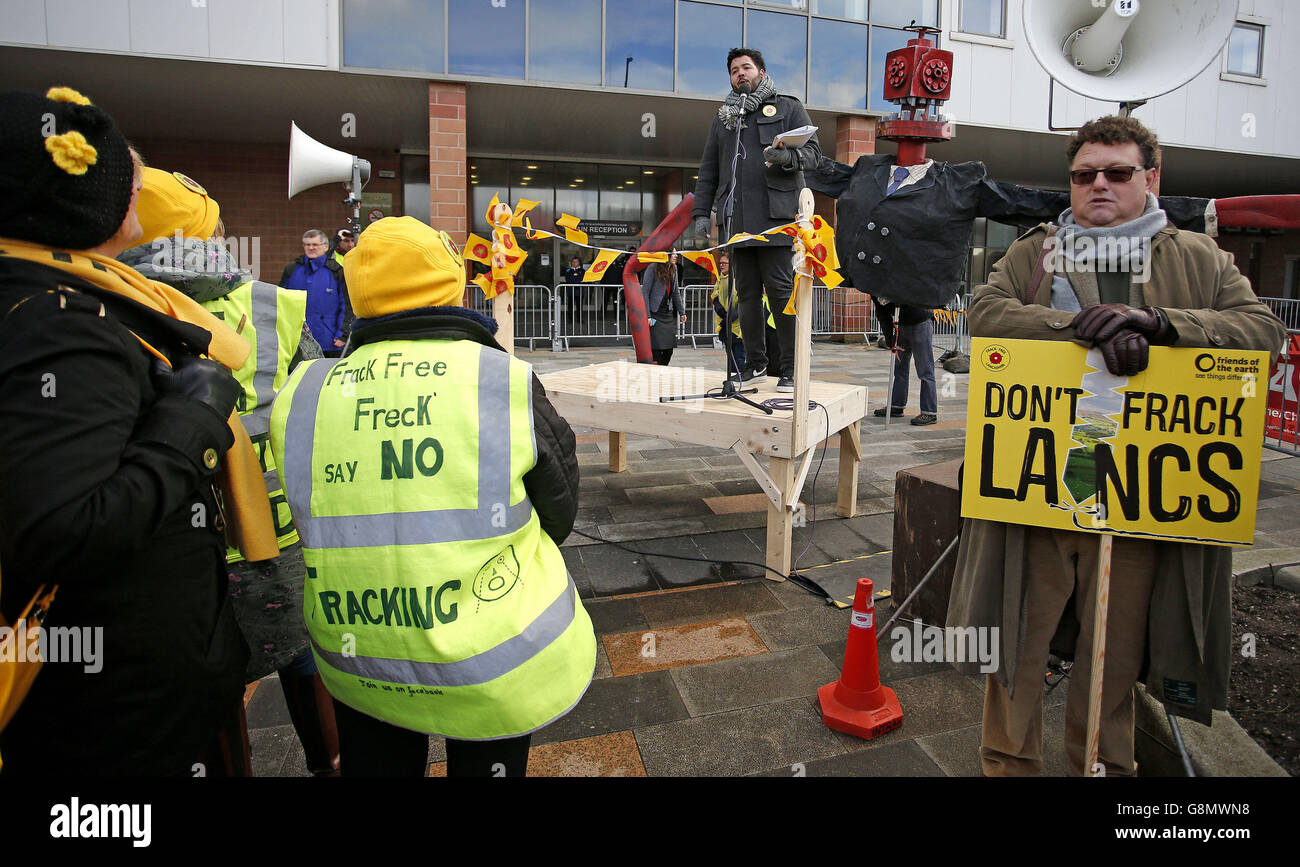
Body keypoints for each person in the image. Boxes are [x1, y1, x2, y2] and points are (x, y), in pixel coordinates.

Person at [947, 115, 1286, 777]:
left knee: (1116, 654)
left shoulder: (1198, 258)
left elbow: (1261, 330)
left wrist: (1162, 325)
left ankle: (1103, 768)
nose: (1098, 184)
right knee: (1017, 645)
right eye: (1083, 174)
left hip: (1138, 501)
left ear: (1151, 178)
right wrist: (1082, 327)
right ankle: (1006, 765)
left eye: (1117, 172)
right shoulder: (1035, 252)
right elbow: (987, 312)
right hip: (1041, 491)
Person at [0, 87, 277, 775]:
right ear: (83, 204)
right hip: (109, 708)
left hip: (117, 686)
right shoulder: (55, 321)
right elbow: (64, 527)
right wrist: (189, 422)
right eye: (127, 177)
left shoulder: (77, 295)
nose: (142, 190)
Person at [268, 216, 595, 777]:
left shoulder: (305, 392)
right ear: (451, 283)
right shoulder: (501, 379)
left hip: (360, 660)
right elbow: (560, 515)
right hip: (492, 661)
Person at [119, 167, 339, 776]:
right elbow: (312, 417)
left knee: (208, 683)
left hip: (172, 541)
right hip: (280, 531)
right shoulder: (276, 303)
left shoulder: (103, 309)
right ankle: (330, 764)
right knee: (304, 657)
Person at [693, 47, 820, 393]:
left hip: (776, 218)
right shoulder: (724, 120)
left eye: (746, 67)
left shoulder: (788, 107)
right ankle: (754, 363)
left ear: (761, 72)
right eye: (734, 70)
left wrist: (786, 155)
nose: (740, 74)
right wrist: (702, 213)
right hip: (737, 218)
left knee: (780, 293)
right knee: (745, 293)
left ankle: (791, 368)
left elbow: (814, 154)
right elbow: (709, 171)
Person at [281, 229, 347, 357]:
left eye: (315, 245)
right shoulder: (291, 270)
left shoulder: (337, 272)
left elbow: (346, 305)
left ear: (326, 247)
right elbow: (281, 302)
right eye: (307, 244)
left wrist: (343, 334)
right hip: (295, 340)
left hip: (329, 341)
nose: (311, 248)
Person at [874, 303, 937, 425]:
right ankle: (897, 405)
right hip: (901, 324)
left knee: (925, 369)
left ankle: (929, 412)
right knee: (899, 368)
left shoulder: (899, 284)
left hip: (920, 321)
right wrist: (890, 339)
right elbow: (882, 314)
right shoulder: (875, 288)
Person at [642, 251, 686, 366]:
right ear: (665, 254)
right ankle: (658, 372)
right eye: (673, 253)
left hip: (668, 314)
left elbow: (676, 292)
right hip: (654, 313)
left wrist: (682, 312)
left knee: (669, 349)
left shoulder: (673, 268)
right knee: (656, 349)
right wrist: (648, 315)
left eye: (676, 254)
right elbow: (645, 292)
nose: (676, 256)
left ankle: (663, 368)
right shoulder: (652, 268)